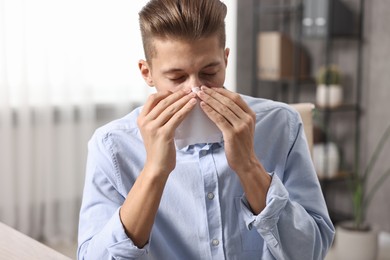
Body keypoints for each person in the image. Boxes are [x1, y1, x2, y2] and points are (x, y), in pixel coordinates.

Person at [77, 0, 335, 259]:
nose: (195, 90)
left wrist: (248, 166)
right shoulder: (111, 145)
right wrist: (154, 171)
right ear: (147, 73)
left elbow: (311, 252)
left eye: (209, 73)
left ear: (225, 60)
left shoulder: (281, 125)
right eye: (177, 78)